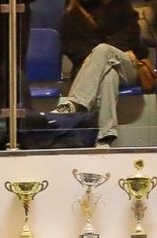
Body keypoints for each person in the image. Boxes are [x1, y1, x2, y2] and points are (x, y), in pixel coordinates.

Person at [52, 0, 142, 147]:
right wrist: (98, 59)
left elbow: (132, 34)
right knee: (108, 75)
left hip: (126, 65)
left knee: (103, 50)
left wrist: (103, 53)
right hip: (92, 71)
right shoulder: (71, 17)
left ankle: (76, 103)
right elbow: (73, 49)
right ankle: (105, 137)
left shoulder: (121, 5)